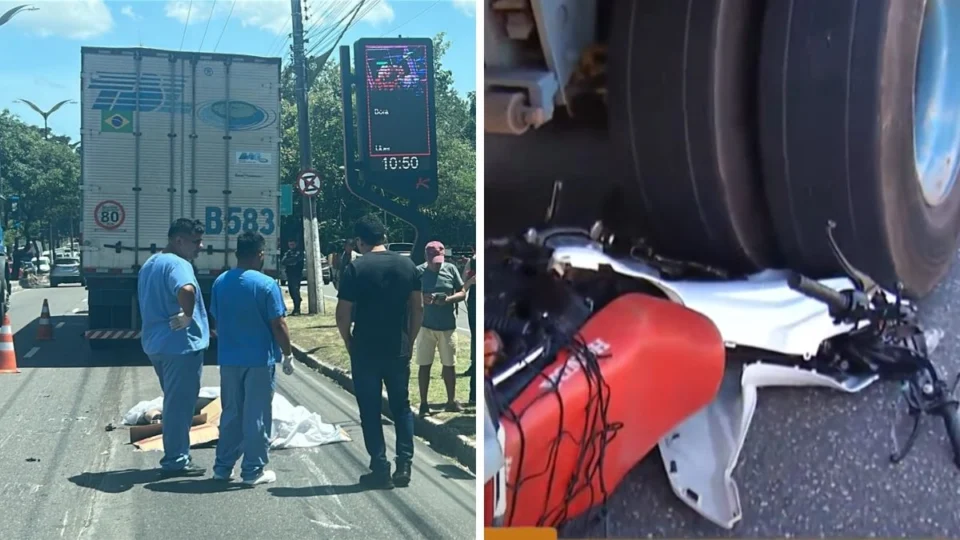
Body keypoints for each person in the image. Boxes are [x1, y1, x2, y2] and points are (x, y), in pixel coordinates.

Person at [336, 214, 422, 489]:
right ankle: (404, 464)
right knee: (401, 407)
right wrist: (410, 341)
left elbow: (343, 313)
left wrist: (348, 341)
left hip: (365, 349)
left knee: (370, 409)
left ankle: (380, 467)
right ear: (384, 237)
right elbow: (418, 308)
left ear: (359, 241)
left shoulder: (355, 268)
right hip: (398, 347)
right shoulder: (408, 265)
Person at [209, 231, 295, 485]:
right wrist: (288, 354)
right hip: (258, 359)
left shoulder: (220, 282)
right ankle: (253, 470)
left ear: (237, 253)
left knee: (231, 413)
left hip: (229, 358)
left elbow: (217, 320)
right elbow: (278, 324)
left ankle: (223, 467)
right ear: (260, 254)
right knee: (256, 415)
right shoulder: (266, 285)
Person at [137, 218, 209, 477]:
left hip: (156, 344)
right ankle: (176, 460)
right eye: (195, 241)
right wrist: (188, 316)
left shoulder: (151, 263)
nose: (200, 246)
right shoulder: (178, 264)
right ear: (179, 240)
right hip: (180, 345)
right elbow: (186, 290)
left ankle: (176, 454)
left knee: (173, 401)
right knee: (180, 406)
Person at [415, 240, 466, 417]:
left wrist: (448, 300)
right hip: (425, 326)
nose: (437, 265)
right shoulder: (418, 272)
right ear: (426, 257)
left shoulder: (450, 269)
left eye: (439, 261)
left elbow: (462, 292)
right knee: (424, 365)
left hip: (447, 326)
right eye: (433, 262)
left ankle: (451, 401)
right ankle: (423, 403)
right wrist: (423, 298)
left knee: (449, 364)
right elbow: (409, 296)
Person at [463, 255, 477, 404]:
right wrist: (471, 281)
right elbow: (462, 286)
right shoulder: (473, 261)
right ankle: (474, 395)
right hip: (474, 304)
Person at [280, 239, 305, 315]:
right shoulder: (288, 253)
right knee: (291, 291)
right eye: (290, 245)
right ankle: (295, 309)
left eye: (292, 244)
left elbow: (296, 260)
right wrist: (290, 262)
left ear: (296, 244)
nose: (291, 246)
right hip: (289, 274)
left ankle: (297, 309)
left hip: (296, 274)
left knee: (295, 291)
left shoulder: (299, 252)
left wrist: (290, 261)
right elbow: (283, 261)